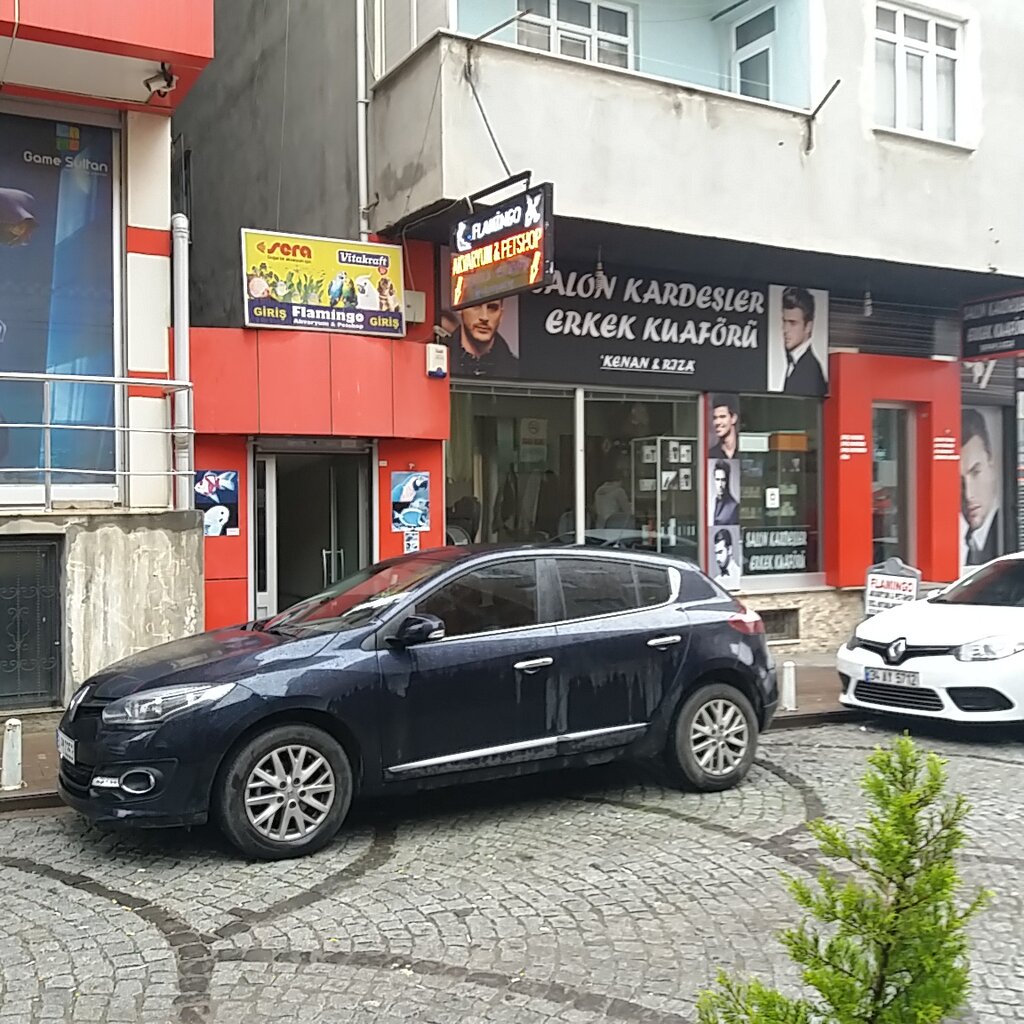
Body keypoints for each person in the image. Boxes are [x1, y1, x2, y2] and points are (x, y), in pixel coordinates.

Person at [960, 408, 1001, 566]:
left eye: (975, 472)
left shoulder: (1003, 529)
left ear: (991, 461)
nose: (968, 495)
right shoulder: (967, 540)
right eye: (959, 483)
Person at [448, 298, 518, 378]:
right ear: (460, 308)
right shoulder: (439, 361)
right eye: (475, 305)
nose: (484, 317)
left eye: (492, 308)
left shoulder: (518, 370)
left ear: (501, 315)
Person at [779, 287, 826, 396]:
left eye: (793, 323)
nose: (785, 329)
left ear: (808, 327)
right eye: (784, 322)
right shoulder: (794, 362)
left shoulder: (810, 370)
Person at [711, 460, 739, 525]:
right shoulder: (716, 501)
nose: (720, 484)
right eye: (717, 479)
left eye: (723, 480)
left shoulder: (734, 507)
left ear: (727, 481)